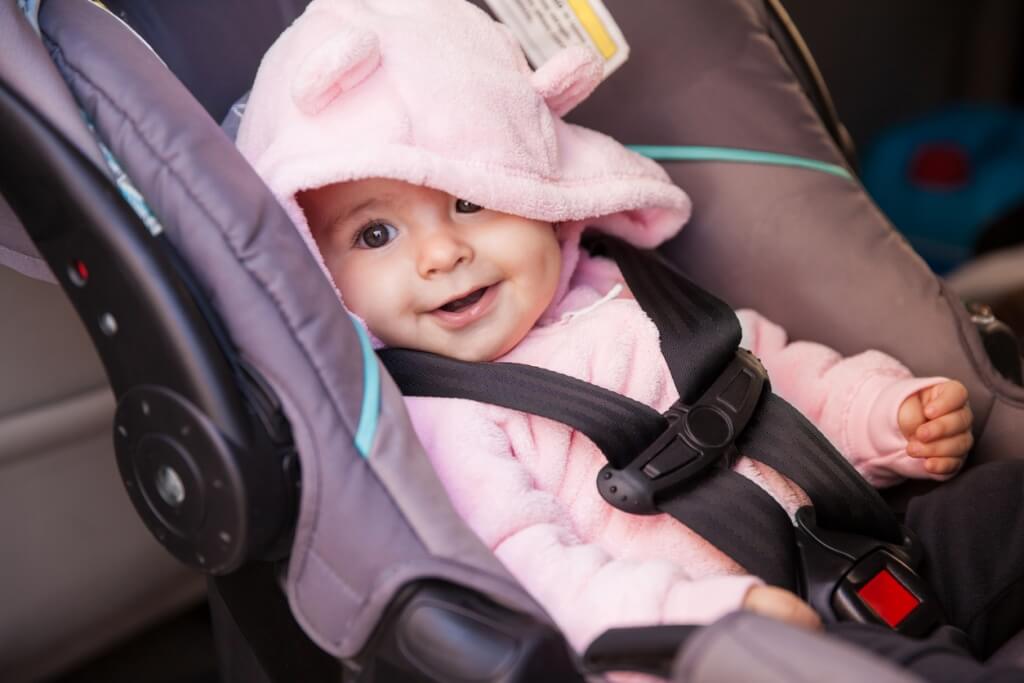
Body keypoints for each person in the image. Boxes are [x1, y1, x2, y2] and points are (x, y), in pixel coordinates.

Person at [237, 0, 1024, 679]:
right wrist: (710, 621)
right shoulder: (443, 421)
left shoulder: (630, 290)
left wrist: (880, 415)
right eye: (376, 232)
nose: (442, 253)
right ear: (320, 272)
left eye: (473, 200)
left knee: (1005, 499)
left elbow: (770, 372)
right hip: (725, 647)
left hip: (856, 543)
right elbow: (533, 573)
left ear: (541, 195)